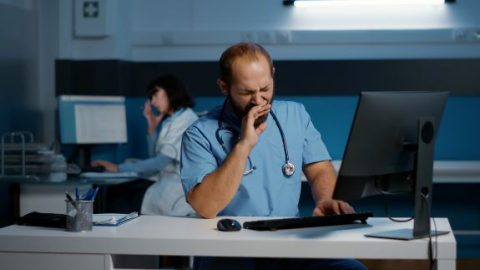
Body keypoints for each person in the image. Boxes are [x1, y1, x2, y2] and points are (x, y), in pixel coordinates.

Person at [180, 43, 367, 270]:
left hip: (288, 242)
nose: (259, 100)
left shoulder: (295, 115)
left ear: (273, 75)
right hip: (228, 247)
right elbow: (206, 206)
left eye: (265, 88)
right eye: (247, 92)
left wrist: (325, 198)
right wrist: (243, 145)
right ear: (223, 86)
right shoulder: (199, 133)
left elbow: (319, 170)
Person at [92, 74, 198, 216]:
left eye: (155, 95)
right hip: (164, 180)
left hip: (175, 187)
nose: (153, 102)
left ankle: (112, 233)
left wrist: (117, 168)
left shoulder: (185, 121)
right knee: (120, 189)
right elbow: (155, 156)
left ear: (171, 91)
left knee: (120, 194)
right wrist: (152, 129)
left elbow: (159, 162)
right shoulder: (172, 120)